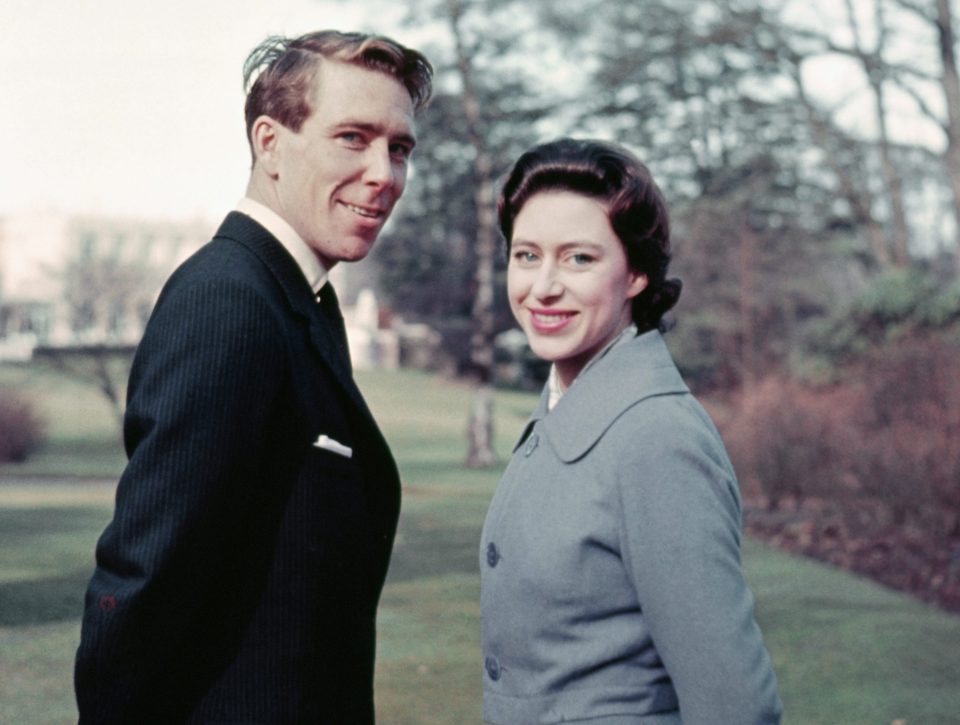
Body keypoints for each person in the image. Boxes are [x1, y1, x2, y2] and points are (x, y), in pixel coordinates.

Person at [75, 30, 432, 724]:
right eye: (353, 138)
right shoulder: (231, 300)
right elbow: (147, 573)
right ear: (269, 142)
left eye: (400, 148)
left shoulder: (300, 300)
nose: (385, 174)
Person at [480, 138, 783, 724]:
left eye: (579, 259)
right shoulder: (564, 405)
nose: (543, 286)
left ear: (637, 273)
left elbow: (736, 705)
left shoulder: (656, 438)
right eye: (526, 255)